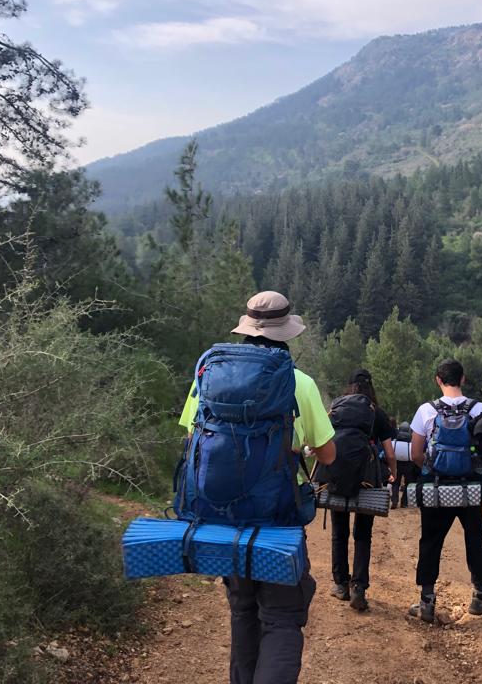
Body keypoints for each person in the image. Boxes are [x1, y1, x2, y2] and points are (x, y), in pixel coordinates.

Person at [178, 291, 336, 684]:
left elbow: (191, 437)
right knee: (281, 617)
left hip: (224, 516)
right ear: (287, 333)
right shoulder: (299, 382)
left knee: (243, 609)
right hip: (278, 520)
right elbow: (329, 454)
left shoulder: (209, 375)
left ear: (247, 329)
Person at [408, 358, 482, 623]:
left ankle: (426, 602)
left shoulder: (426, 411)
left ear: (438, 380)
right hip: (472, 489)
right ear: (463, 379)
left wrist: (433, 469)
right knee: (475, 538)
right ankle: (480, 597)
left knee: (430, 541)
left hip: (437, 490)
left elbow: (415, 453)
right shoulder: (481, 408)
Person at [329, 369, 397, 611]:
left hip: (338, 475)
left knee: (339, 532)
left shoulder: (336, 407)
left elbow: (324, 440)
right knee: (363, 534)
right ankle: (359, 587)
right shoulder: (376, 412)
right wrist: (393, 473)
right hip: (367, 478)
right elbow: (389, 452)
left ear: (349, 386)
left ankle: (340, 584)